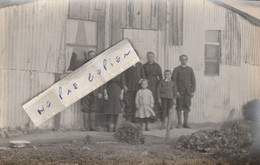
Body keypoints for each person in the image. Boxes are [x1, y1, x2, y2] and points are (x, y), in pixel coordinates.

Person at [172, 54, 196, 128]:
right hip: (180, 92)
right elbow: (174, 81)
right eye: (182, 59)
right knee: (179, 107)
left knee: (187, 107)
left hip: (187, 92)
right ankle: (179, 123)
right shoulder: (176, 69)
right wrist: (176, 91)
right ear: (180, 60)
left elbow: (193, 81)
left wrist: (192, 91)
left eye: (185, 59)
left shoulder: (190, 69)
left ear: (187, 60)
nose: (184, 60)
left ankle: (185, 123)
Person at [81, 50, 102, 131]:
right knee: (85, 108)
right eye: (90, 56)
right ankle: (86, 127)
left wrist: (100, 91)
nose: (92, 57)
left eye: (94, 55)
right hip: (86, 89)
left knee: (93, 108)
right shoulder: (84, 66)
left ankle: (92, 127)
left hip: (95, 90)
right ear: (88, 56)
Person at [143, 52, 163, 119]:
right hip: (147, 83)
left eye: (151, 56)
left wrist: (159, 85)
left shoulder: (157, 65)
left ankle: (155, 116)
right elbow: (143, 75)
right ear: (147, 57)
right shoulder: (144, 66)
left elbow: (160, 76)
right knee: (147, 98)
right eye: (148, 56)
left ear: (153, 57)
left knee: (154, 98)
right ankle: (147, 116)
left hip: (155, 83)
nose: (150, 58)